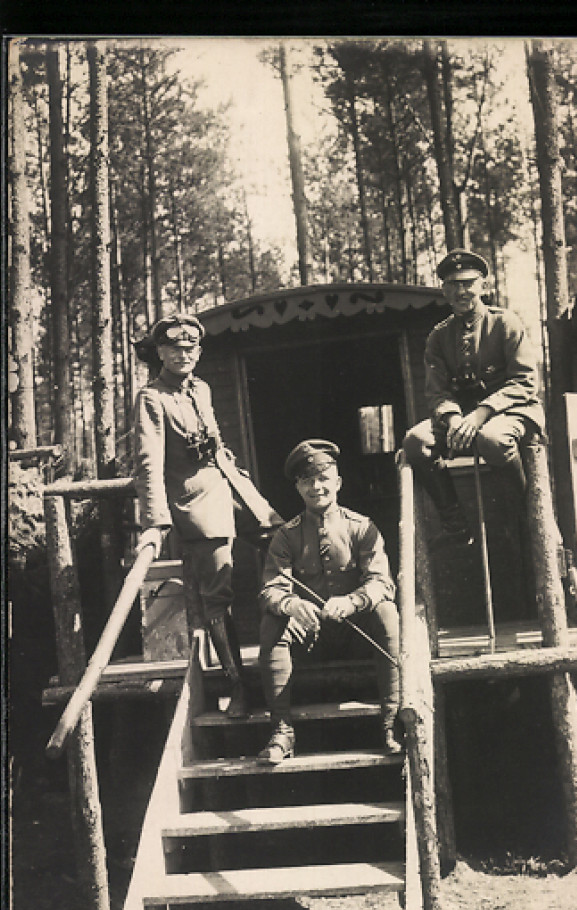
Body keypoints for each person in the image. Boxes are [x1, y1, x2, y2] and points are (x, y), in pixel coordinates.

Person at [133, 312, 282, 717]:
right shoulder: (152, 398)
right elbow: (148, 463)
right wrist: (155, 519)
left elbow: (215, 445)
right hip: (196, 503)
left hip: (231, 486)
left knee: (283, 540)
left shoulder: (201, 388)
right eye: (174, 348)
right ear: (160, 352)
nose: (183, 354)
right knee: (219, 595)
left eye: (190, 347)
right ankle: (238, 685)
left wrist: (241, 483)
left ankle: (285, 658)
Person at [256, 440, 401, 764]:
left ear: (337, 482)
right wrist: (291, 605)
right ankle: (282, 731)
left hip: (358, 636)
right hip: (312, 637)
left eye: (323, 478)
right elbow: (270, 590)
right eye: (307, 480)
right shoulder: (287, 536)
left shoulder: (362, 527)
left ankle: (393, 722)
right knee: (271, 622)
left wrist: (353, 601)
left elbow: (382, 583)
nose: (316, 487)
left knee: (387, 612)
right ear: (298, 487)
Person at [403, 249, 545, 543]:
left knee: (492, 439)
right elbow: (436, 391)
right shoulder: (438, 337)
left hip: (512, 411)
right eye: (453, 285)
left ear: (483, 285)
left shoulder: (505, 323)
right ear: (444, 290)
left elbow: (525, 381)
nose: (461, 291)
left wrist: (482, 413)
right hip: (462, 419)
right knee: (416, 442)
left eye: (468, 283)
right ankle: (454, 522)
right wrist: (453, 418)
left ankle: (523, 516)